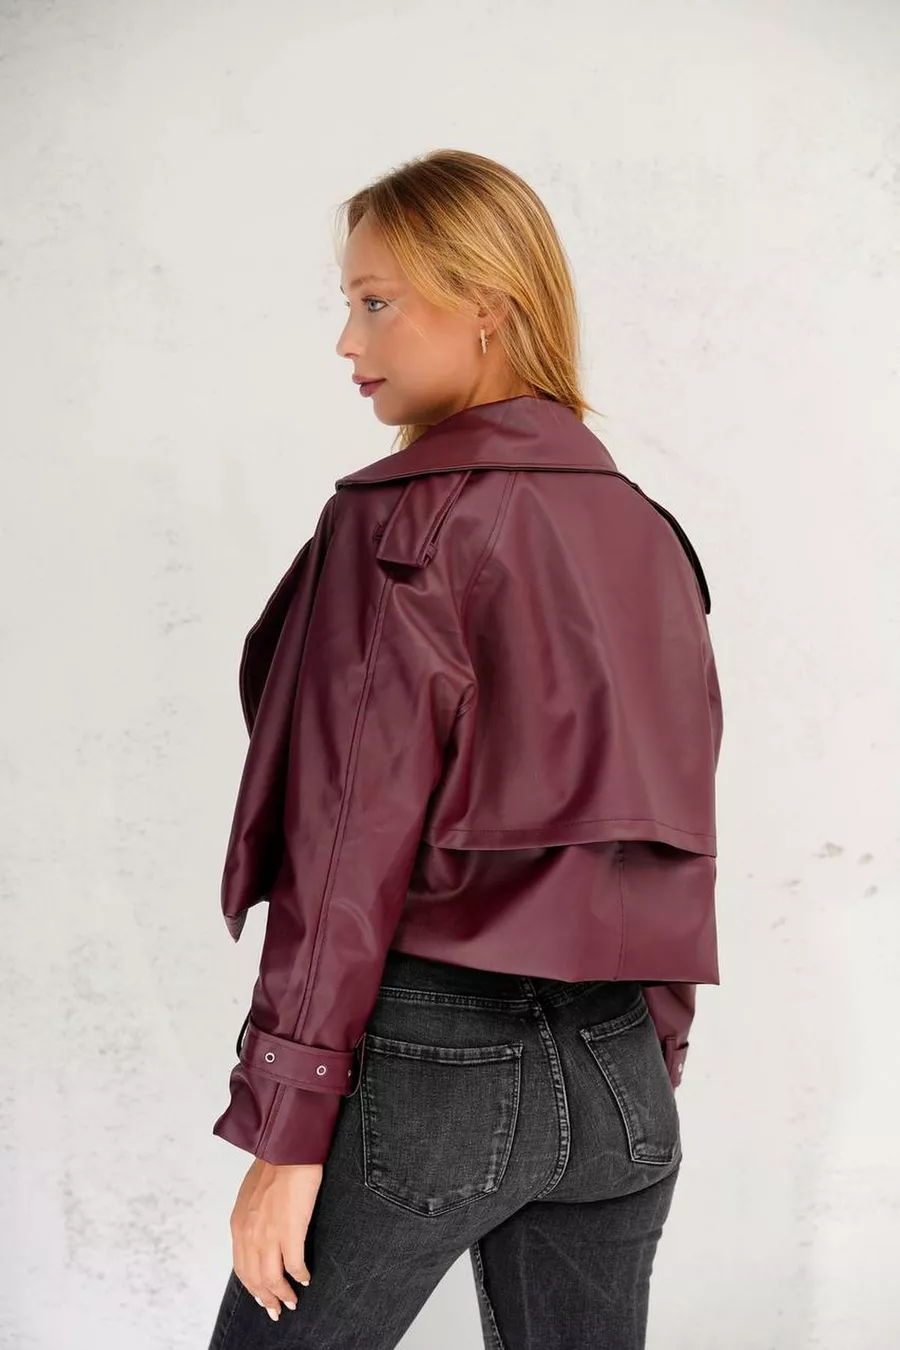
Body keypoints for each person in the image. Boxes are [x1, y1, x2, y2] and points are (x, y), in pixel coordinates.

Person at [206, 148, 723, 1350]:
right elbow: (678, 815)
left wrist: (287, 1129)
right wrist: (652, 1043)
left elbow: (346, 839)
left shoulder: (398, 522)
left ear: (487, 304)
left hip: (429, 1072)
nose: (348, 340)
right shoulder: (647, 531)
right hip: (620, 1078)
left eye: (376, 301)